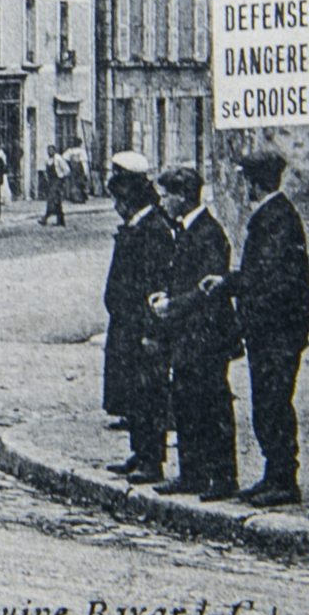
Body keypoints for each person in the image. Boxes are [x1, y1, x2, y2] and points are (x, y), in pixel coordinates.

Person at [200, 148, 309, 508]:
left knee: (274, 403)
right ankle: (274, 475)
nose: (243, 185)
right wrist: (230, 282)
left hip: (277, 330)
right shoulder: (273, 215)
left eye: (246, 178)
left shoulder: (277, 218)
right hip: (269, 329)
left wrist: (236, 288)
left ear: (256, 180)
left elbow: (271, 280)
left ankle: (283, 480)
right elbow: (259, 276)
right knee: (267, 402)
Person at [149, 167, 240, 501]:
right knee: (186, 402)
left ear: (183, 197)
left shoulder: (208, 234)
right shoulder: (187, 230)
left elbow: (208, 290)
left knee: (213, 404)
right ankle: (192, 473)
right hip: (188, 334)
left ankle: (223, 477)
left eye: (167, 195)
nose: (163, 202)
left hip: (208, 335)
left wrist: (173, 304)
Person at [102, 152, 173, 484]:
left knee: (149, 393)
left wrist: (150, 330)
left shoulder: (154, 229)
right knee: (132, 392)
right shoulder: (136, 225)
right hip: (125, 325)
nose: (118, 206)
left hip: (141, 327)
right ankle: (139, 451)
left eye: (120, 199)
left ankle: (152, 458)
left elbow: (153, 284)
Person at [39, 144, 69, 226]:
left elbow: (66, 170)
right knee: (56, 201)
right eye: (48, 150)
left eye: (52, 150)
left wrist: (61, 179)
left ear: (55, 151)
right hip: (50, 181)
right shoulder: (48, 160)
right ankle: (61, 221)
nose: (50, 152)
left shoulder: (58, 158)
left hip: (58, 180)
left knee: (51, 199)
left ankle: (45, 218)